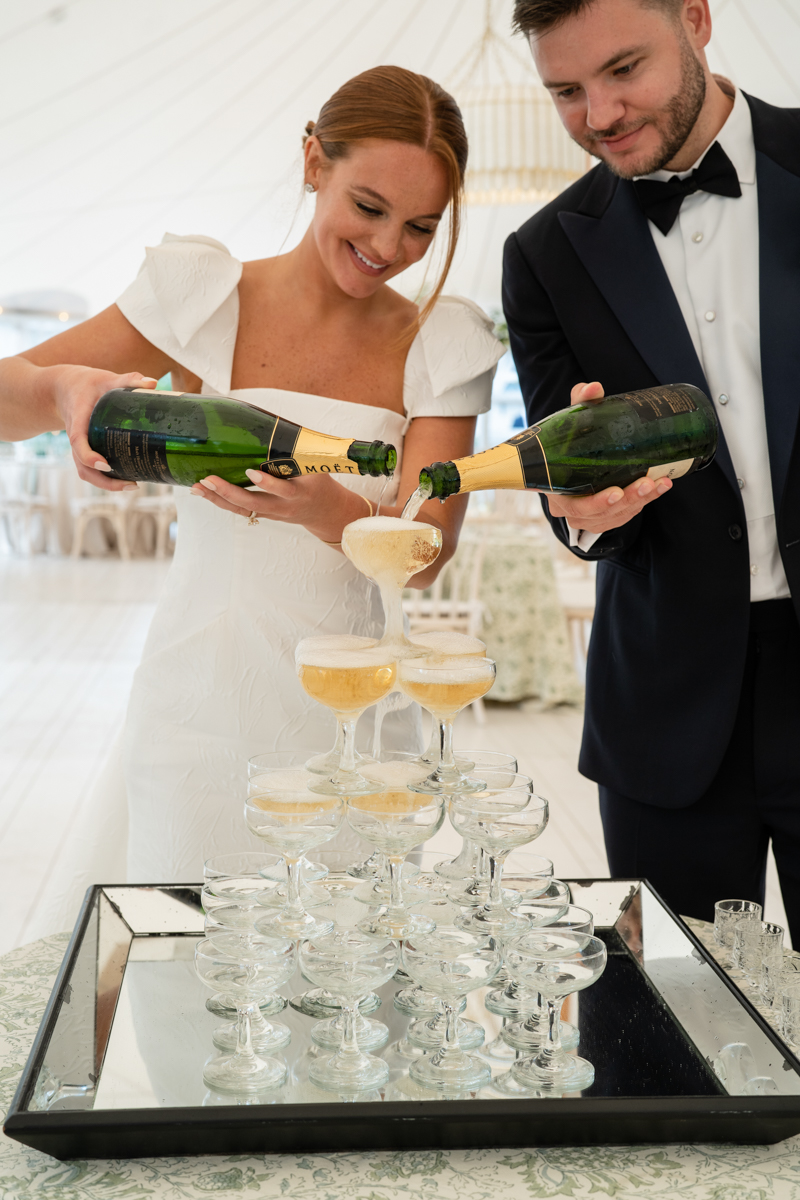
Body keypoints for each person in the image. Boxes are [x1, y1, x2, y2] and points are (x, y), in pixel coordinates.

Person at [0, 66, 504, 887]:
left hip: (355, 727)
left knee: (347, 986)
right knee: (191, 969)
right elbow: (4, 402)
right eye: (369, 208)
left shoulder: (440, 341)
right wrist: (61, 389)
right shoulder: (202, 296)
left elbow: (430, 547)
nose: (387, 249)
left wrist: (326, 508)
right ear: (313, 162)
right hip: (197, 709)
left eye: (420, 226)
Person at [503, 0, 800, 939]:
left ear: (698, 20)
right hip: (666, 710)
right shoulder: (544, 255)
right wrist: (581, 506)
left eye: (623, 69)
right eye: (565, 92)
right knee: (672, 1034)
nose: (598, 115)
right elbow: (571, 495)